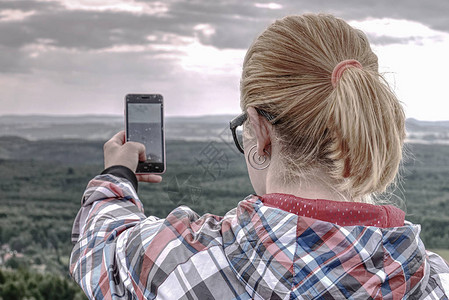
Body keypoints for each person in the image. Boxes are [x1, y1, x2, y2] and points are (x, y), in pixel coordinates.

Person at [70, 14, 449, 299]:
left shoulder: (181, 261)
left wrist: (117, 175)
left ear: (262, 132)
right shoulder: (431, 283)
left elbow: (98, 250)